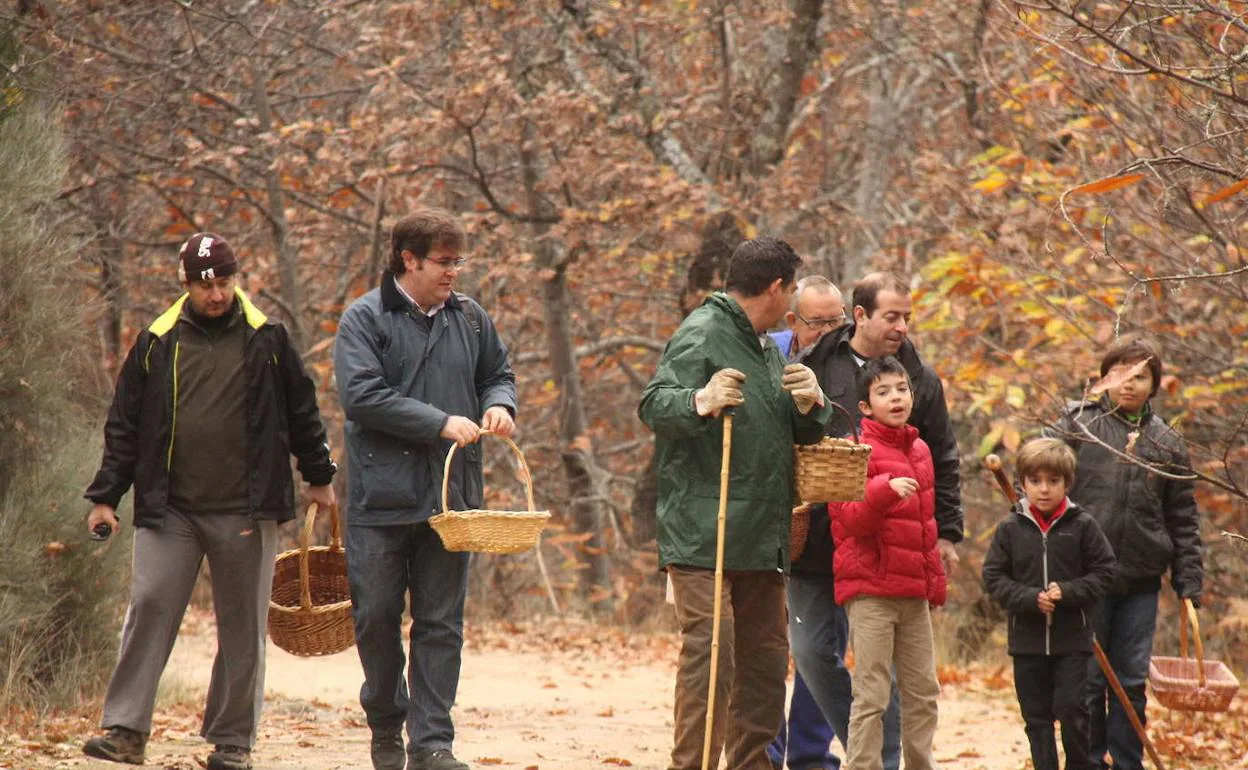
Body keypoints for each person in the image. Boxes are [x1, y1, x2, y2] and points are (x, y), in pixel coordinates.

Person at [81, 233, 338, 770]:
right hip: (169, 508)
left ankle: (232, 742)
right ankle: (126, 730)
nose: (215, 294)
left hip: (245, 508)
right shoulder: (157, 340)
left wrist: (318, 475)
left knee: (242, 623)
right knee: (149, 604)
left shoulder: (268, 338)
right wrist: (106, 496)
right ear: (186, 285)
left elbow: (302, 411)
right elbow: (124, 425)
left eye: (223, 282)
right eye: (204, 285)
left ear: (234, 279)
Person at [639, 236, 834, 770]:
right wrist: (699, 400)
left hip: (764, 534)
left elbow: (793, 430)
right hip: (706, 530)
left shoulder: (766, 346)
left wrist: (811, 402)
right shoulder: (702, 333)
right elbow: (655, 405)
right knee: (712, 656)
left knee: (766, 664)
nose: (792, 297)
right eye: (791, 287)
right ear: (775, 287)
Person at [334, 207, 517, 770]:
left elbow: (498, 374)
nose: (453, 271)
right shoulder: (363, 319)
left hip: (451, 501)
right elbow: (361, 396)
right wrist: (438, 420)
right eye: (443, 261)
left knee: (441, 623)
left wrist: (497, 405)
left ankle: (433, 743)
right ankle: (386, 725)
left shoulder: (472, 319)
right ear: (407, 259)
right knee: (377, 618)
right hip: (379, 500)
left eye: (459, 260)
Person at [789, 271, 966, 770]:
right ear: (861, 315)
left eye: (908, 317)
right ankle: (871, 751)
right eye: (893, 316)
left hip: (885, 551)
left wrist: (947, 533)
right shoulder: (815, 363)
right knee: (811, 654)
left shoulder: (919, 377)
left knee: (893, 673)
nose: (903, 326)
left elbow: (942, 458)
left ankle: (882, 758)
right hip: (818, 539)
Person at [1045, 338, 1203, 770]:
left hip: (1141, 579)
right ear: (1104, 379)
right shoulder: (1078, 424)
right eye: (1120, 375)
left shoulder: (1167, 442)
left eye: (1141, 377)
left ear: (1154, 385)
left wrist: (1189, 580)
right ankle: (1089, 761)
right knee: (1090, 680)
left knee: (1131, 679)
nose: (1130, 385)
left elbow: (1182, 517)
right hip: (1086, 578)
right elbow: (1038, 474)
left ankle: (1128, 762)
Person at [828, 357, 945, 770]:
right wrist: (883, 490)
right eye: (883, 391)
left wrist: (934, 583)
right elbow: (849, 519)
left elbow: (925, 526)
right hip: (871, 591)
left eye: (901, 389)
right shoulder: (854, 450)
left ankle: (919, 764)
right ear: (864, 406)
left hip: (913, 593)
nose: (895, 397)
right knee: (873, 693)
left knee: (923, 691)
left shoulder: (921, 449)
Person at [983, 438, 1117, 770]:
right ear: (1023, 483)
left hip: (1072, 640)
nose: (1044, 489)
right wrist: (1029, 599)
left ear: (1066, 483)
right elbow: (994, 577)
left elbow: (1106, 572)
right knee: (1037, 719)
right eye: (1035, 481)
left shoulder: (1083, 525)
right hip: (1026, 641)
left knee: (1073, 711)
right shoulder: (1011, 528)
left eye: (1053, 481)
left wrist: (1069, 592)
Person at [767, 275, 844, 770]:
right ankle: (766, 752)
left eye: (839, 319)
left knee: (819, 650)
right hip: (771, 523)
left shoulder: (848, 361)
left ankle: (811, 758)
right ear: (793, 321)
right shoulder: (766, 353)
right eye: (820, 322)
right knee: (768, 646)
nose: (832, 330)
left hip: (830, 528)